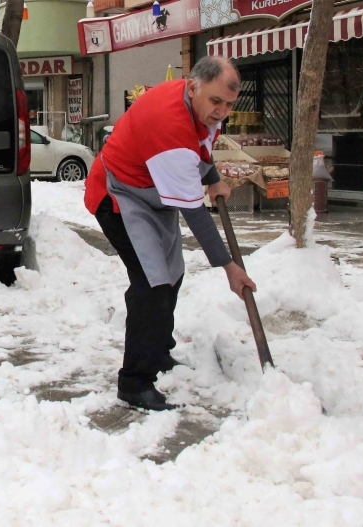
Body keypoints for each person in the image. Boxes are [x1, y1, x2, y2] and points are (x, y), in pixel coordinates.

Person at [83, 56, 257, 411]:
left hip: (155, 195)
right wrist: (229, 267)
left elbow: (201, 150)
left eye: (228, 104)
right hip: (120, 195)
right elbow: (194, 211)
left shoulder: (200, 108)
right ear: (193, 86)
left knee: (172, 274)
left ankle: (159, 353)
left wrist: (213, 180)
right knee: (152, 283)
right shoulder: (170, 123)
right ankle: (134, 381)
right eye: (215, 101)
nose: (222, 111)